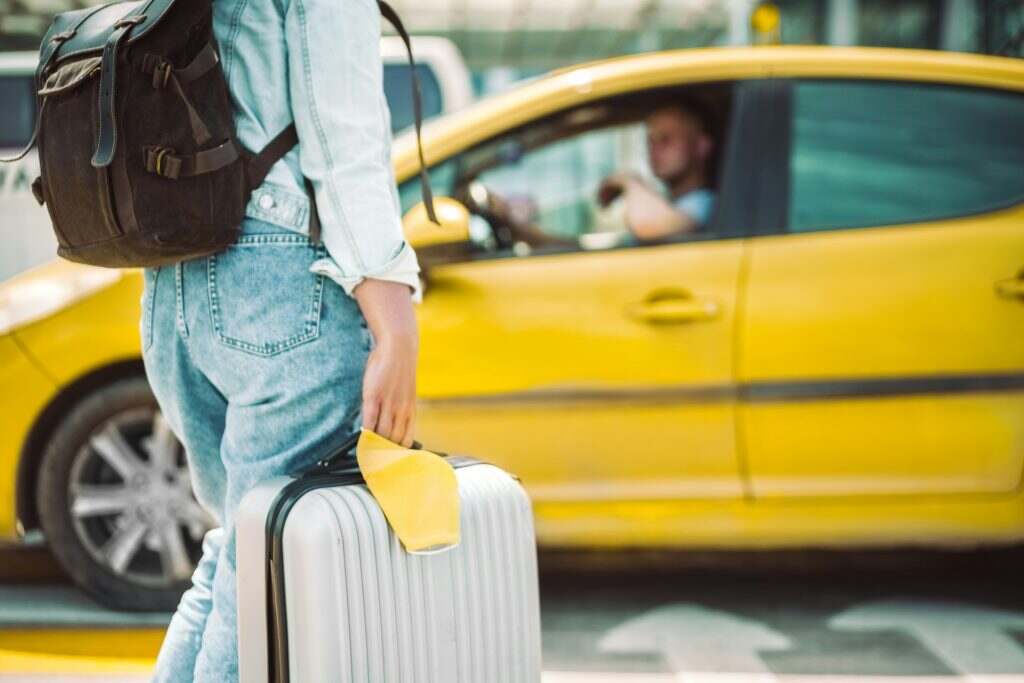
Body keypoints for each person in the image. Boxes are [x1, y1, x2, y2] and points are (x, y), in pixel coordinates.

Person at [143, 0, 420, 680]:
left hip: (169, 280)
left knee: (242, 551)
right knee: (271, 574)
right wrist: (392, 312)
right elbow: (339, 127)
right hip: (278, 279)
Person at [493, 97, 717, 248]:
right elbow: (585, 253)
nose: (654, 150)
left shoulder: (706, 205)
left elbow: (649, 226)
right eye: (650, 141)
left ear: (701, 146)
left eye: (666, 140)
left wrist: (630, 181)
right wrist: (523, 233)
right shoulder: (671, 204)